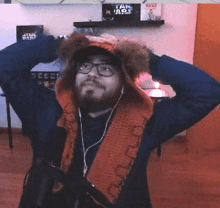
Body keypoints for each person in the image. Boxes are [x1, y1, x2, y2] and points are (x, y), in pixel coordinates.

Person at [0, 33, 219, 208]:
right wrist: (63, 44)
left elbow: (207, 91)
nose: (92, 74)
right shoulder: (46, 111)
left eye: (105, 68)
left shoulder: (145, 122)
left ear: (125, 83)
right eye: (84, 66)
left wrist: (147, 59)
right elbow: (5, 64)